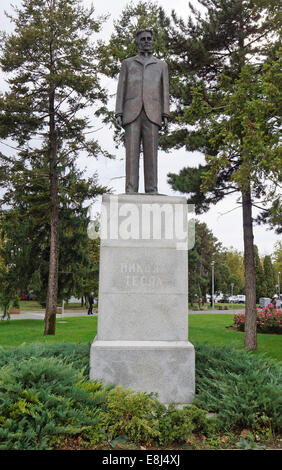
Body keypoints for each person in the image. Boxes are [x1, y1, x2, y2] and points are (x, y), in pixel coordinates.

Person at [115, 29, 169, 194]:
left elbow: (164, 90)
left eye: (149, 39)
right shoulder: (128, 63)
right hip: (132, 112)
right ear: (137, 42)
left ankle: (152, 189)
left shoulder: (161, 65)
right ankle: (130, 190)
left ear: (153, 42)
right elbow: (121, 88)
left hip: (153, 112)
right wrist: (118, 112)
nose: (146, 41)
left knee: (151, 153)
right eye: (143, 39)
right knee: (131, 153)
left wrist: (165, 113)